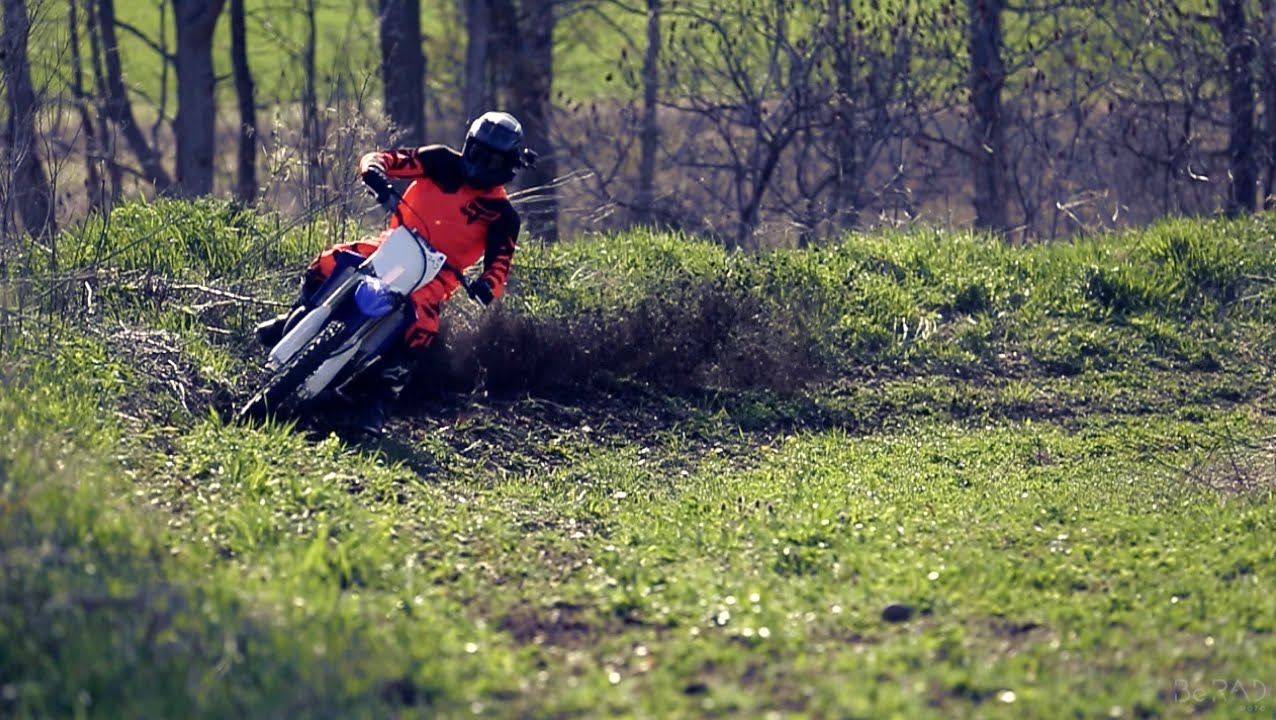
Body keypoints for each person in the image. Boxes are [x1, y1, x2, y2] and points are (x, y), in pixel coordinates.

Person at [254, 111, 538, 435]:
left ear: (508, 167)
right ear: (468, 145)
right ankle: (293, 318)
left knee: (422, 326)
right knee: (330, 261)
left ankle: (377, 404)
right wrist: (376, 175)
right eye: (478, 154)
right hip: (393, 244)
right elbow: (382, 159)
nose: (483, 165)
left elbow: (499, 268)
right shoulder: (440, 160)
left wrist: (486, 286)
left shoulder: (503, 216)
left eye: (494, 161)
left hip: (437, 277)